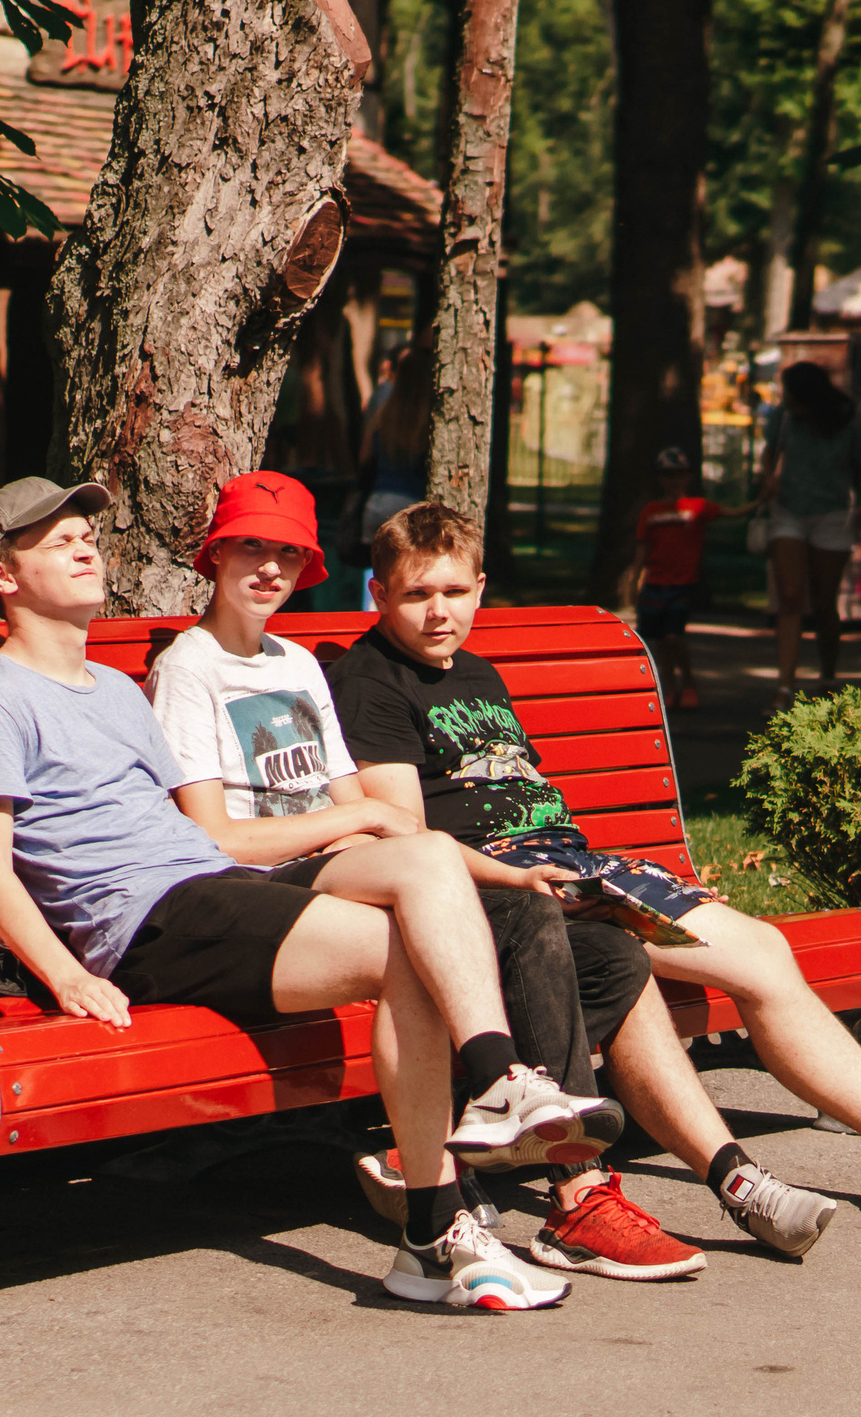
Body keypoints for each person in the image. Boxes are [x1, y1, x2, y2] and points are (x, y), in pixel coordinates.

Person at [0, 475, 617, 1311]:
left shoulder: (116, 690)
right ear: (3, 577)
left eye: (88, 534)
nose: (86, 548)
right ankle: (462, 1173)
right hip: (146, 922)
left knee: (426, 885)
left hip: (210, 890)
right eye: (58, 542)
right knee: (413, 945)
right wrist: (66, 973)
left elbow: (184, 821)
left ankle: (447, 1198)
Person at [328, 501, 861, 1261]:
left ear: (480, 586)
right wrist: (519, 875)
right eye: (416, 595)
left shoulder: (477, 672)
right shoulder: (372, 681)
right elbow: (411, 834)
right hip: (500, 890)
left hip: (577, 869)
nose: (439, 612)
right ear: (379, 593)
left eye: (453, 591)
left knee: (759, 949)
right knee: (669, 960)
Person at [148, 473, 701, 1281]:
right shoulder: (189, 670)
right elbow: (218, 837)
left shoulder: (296, 664)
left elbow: (389, 823)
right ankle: (511, 1102)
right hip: (264, 890)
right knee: (454, 885)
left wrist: (508, 875)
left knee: (560, 930)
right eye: (250, 548)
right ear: (213, 556)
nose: (269, 568)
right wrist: (360, 823)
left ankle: (572, 1185)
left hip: (343, 865)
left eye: (287, 553)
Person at [759, 362, 861, 704]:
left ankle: (827, 673)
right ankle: (785, 685)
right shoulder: (785, 416)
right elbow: (770, 451)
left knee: (825, 601)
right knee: (791, 596)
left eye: (791, 394)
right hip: (789, 510)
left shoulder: (848, 419)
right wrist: (769, 477)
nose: (787, 400)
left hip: (832, 514)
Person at [619, 446, 758, 711]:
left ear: (688, 477)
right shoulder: (651, 511)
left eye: (679, 474)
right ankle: (670, 688)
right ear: (660, 478)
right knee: (659, 641)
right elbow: (642, 549)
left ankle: (689, 681)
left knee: (674, 636)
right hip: (655, 584)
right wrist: (635, 580)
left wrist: (761, 501)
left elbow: (733, 512)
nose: (674, 480)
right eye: (668, 475)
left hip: (682, 585)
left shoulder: (698, 507)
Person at [355, 343, 432, 608]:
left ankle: (370, 622)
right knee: (411, 578)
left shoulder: (384, 413)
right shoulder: (430, 421)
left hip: (378, 503)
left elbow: (364, 457)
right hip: (413, 509)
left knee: (375, 575)